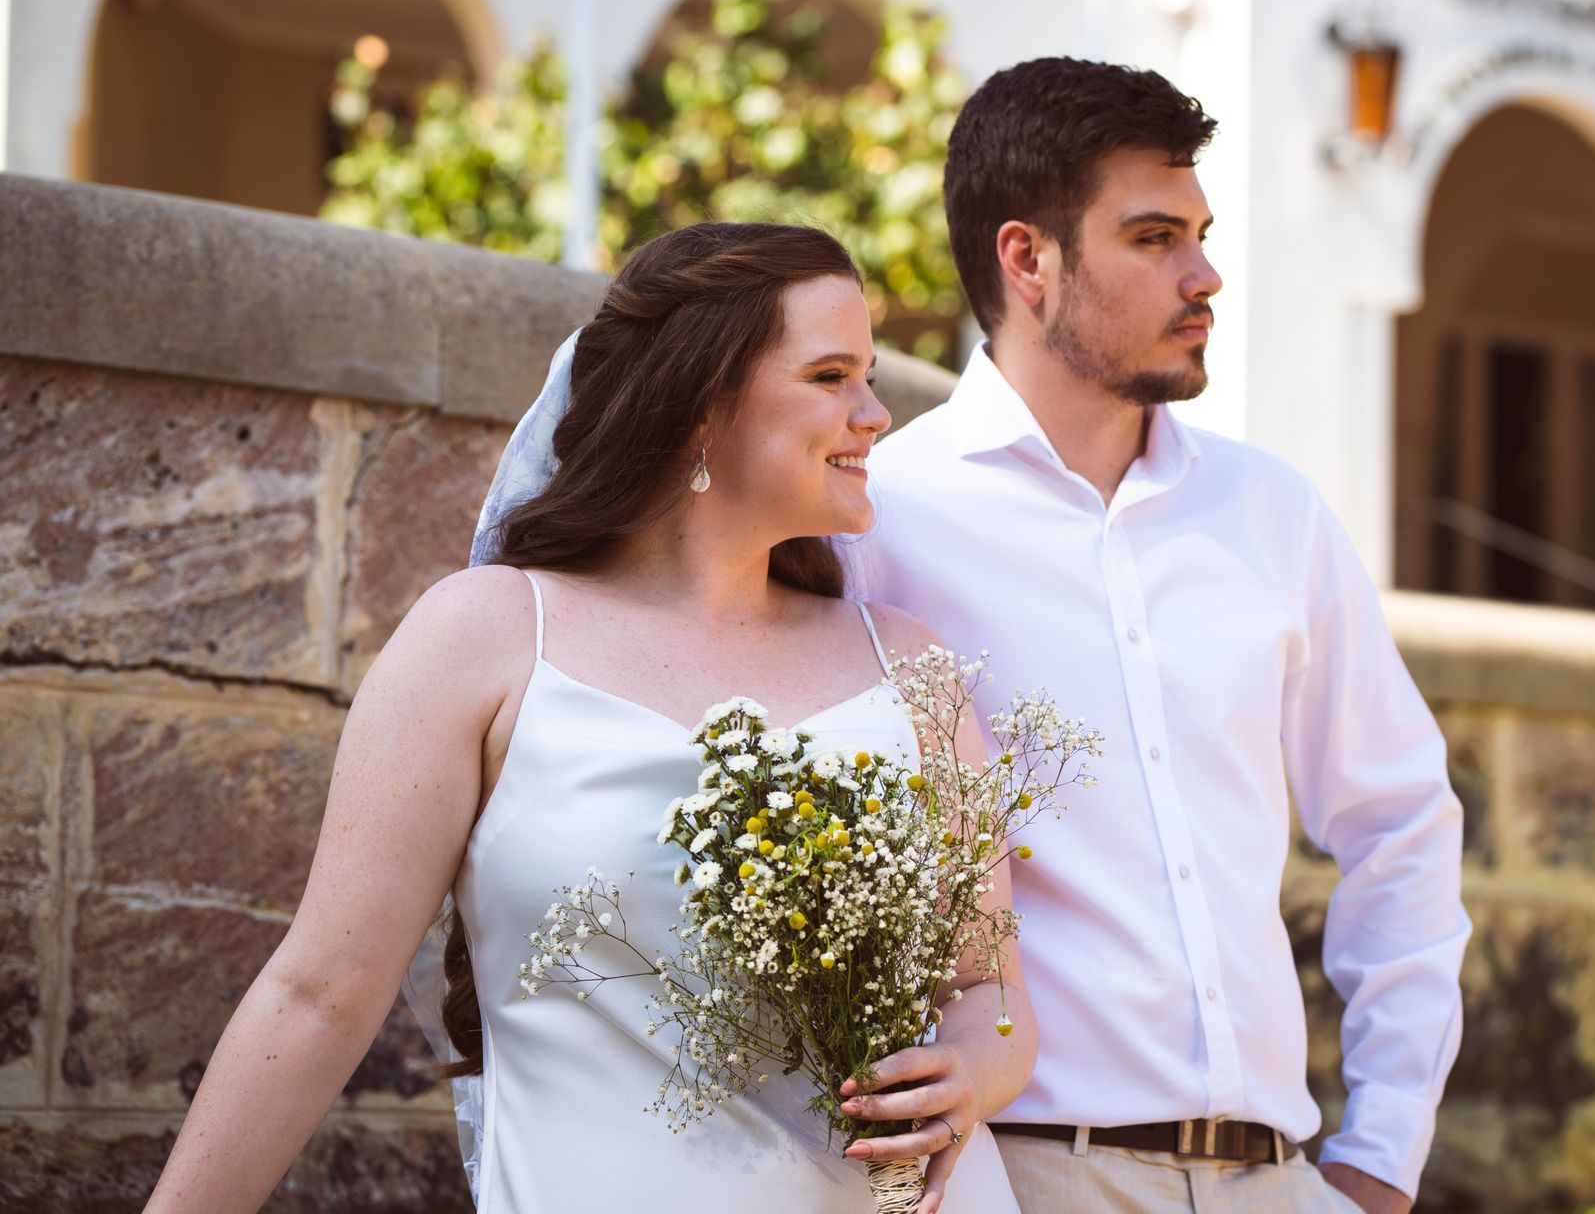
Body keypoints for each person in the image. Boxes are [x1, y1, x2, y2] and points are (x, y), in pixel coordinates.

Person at [144, 223, 1029, 1214]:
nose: (874, 414)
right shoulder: (484, 638)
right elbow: (320, 992)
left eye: (869, 375)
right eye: (831, 375)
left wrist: (963, 1076)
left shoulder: (907, 666)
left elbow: (993, 994)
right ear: (701, 402)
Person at [844, 57, 1471, 1214]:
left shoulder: (1272, 513)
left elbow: (1401, 824)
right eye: (1153, 238)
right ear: (1027, 258)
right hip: (1025, 1172)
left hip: (1279, 1179)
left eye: (1201, 232)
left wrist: (1381, 1158)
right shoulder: (883, 521)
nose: (1206, 274)